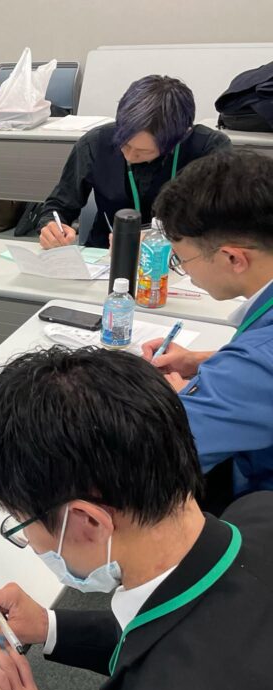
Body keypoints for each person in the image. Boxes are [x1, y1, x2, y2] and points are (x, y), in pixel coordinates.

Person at [0, 346, 273, 690]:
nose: (29, 540)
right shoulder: (259, 511)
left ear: (87, 521)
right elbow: (168, 625)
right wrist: (50, 627)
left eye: (21, 522)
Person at [139, 149, 273, 507]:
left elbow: (161, 456)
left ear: (233, 258)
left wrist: (176, 402)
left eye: (183, 259)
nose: (185, 270)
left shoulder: (255, 366)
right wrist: (202, 361)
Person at [38, 75, 230, 250]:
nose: (129, 156)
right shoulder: (95, 143)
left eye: (143, 151)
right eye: (124, 144)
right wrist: (51, 226)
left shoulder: (209, 150)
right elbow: (59, 205)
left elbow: (224, 222)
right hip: (105, 255)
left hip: (181, 260)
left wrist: (159, 239)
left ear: (178, 139)